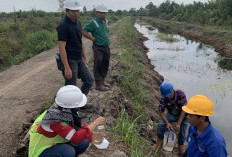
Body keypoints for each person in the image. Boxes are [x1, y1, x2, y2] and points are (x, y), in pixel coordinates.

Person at [28, 85, 105, 157]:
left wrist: (93, 134)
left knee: (85, 140)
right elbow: (75, 137)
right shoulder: (54, 119)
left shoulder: (68, 111)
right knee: (68, 151)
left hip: (58, 142)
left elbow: (80, 129)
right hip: (42, 150)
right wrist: (95, 123)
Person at [57, 0, 94, 95]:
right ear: (67, 11)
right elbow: (61, 47)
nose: (76, 13)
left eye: (77, 10)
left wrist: (85, 57)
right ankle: (69, 107)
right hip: (70, 60)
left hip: (79, 58)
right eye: (73, 11)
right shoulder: (63, 25)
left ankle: (79, 101)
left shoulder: (78, 23)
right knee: (71, 86)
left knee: (89, 80)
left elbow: (80, 41)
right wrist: (67, 67)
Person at [153, 82, 188, 155]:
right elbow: (161, 111)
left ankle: (181, 146)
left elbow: (184, 109)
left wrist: (178, 123)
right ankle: (159, 143)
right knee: (161, 124)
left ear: (173, 90)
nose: (168, 97)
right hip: (172, 114)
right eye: (166, 96)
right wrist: (167, 123)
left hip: (183, 115)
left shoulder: (180, 94)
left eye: (169, 95)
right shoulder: (164, 97)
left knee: (183, 131)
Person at [82, 4, 110, 91]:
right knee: (98, 64)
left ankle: (103, 81)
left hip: (106, 47)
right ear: (97, 13)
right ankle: (98, 85)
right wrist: (91, 38)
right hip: (98, 47)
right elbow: (83, 30)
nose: (103, 14)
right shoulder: (93, 22)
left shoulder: (106, 21)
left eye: (104, 13)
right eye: (101, 13)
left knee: (105, 64)